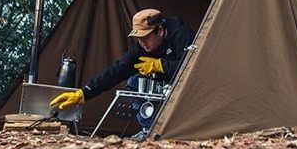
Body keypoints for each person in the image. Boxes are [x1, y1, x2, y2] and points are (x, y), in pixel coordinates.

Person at [50, 8, 195, 139]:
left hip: (186, 92)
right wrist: (84, 93)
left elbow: (194, 68)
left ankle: (176, 131)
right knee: (134, 81)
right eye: (138, 38)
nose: (142, 43)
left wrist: (160, 65)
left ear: (160, 30)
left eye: (145, 38)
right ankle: (149, 130)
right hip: (158, 88)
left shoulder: (181, 34)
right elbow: (117, 70)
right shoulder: (141, 47)